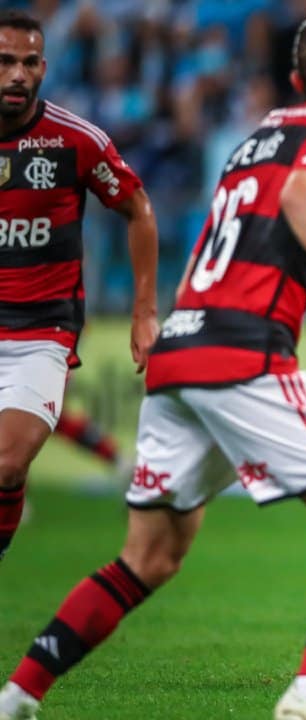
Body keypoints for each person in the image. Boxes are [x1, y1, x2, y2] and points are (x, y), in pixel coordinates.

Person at [0, 9, 306, 720]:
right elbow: (303, 194)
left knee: (148, 559)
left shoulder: (256, 136)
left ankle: (18, 695)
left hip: (182, 347)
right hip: (242, 351)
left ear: (293, 78)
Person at [0, 9, 158, 562]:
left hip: (41, 330)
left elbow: (138, 209)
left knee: (8, 463)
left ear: (44, 68)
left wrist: (143, 311)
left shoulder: (74, 141)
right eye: (5, 62)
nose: (18, 74)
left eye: (28, 62)